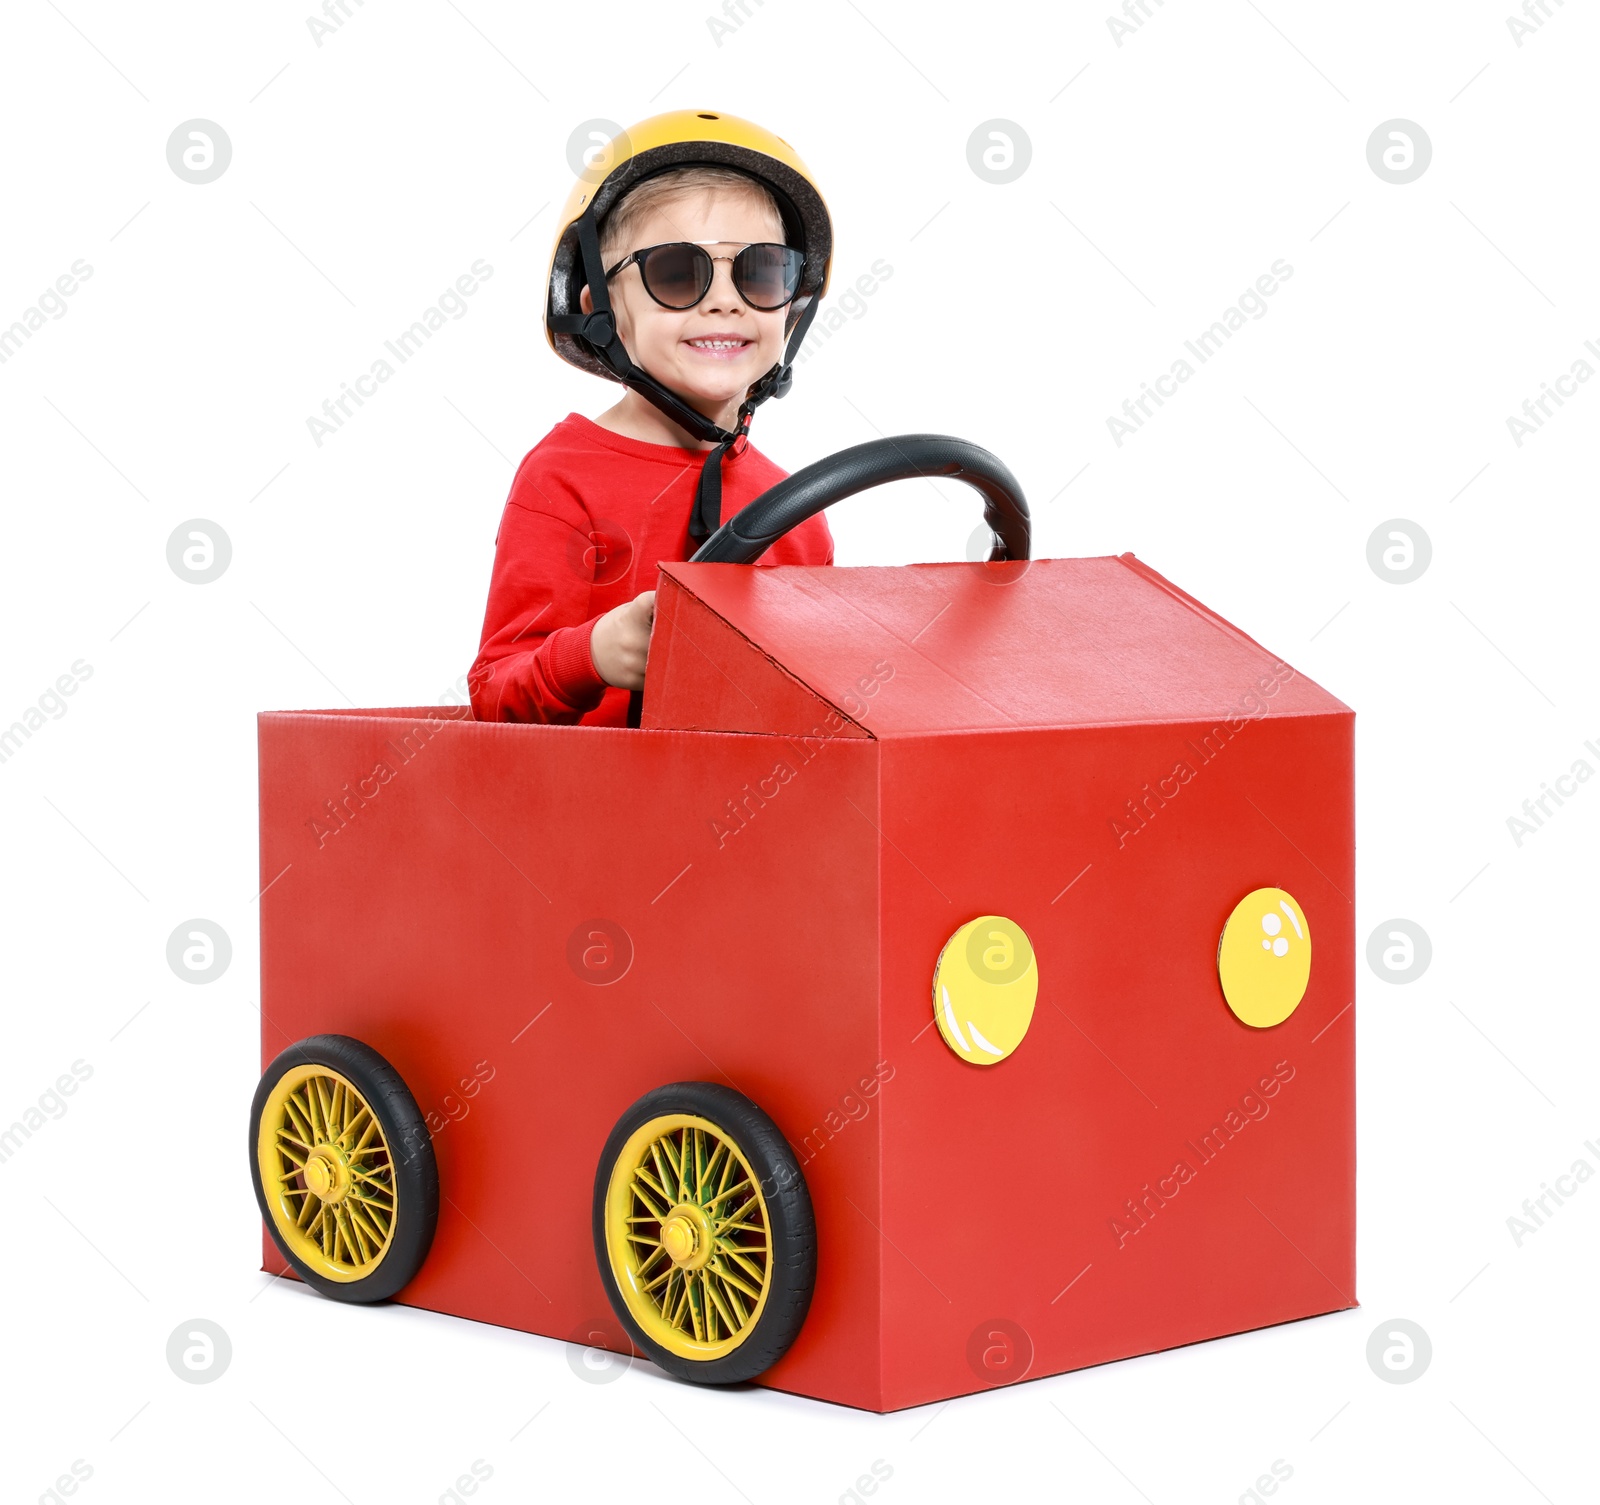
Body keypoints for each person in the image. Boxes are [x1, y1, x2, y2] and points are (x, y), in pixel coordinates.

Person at [468, 110, 835, 725]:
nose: (724, 300)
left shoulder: (798, 510)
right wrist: (591, 655)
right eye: (675, 273)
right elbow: (494, 693)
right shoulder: (562, 479)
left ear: (792, 305)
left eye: (761, 272)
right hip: (591, 813)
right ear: (603, 308)